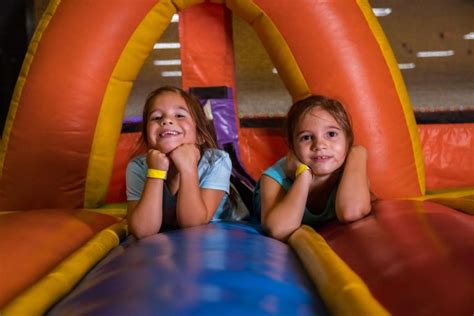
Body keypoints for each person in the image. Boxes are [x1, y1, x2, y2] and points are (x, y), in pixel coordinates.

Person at [253, 95, 373, 241]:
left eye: (331, 134)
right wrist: (303, 176)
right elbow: (279, 230)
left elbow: (352, 211)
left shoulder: (350, 170)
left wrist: (358, 153)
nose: (319, 145)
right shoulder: (274, 178)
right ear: (292, 146)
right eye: (307, 137)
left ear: (348, 140)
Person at [126, 86, 233, 239]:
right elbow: (142, 231)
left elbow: (192, 225)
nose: (167, 120)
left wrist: (188, 168)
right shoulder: (138, 166)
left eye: (180, 115)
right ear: (147, 138)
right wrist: (155, 173)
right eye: (156, 117)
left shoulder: (216, 161)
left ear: (199, 136)